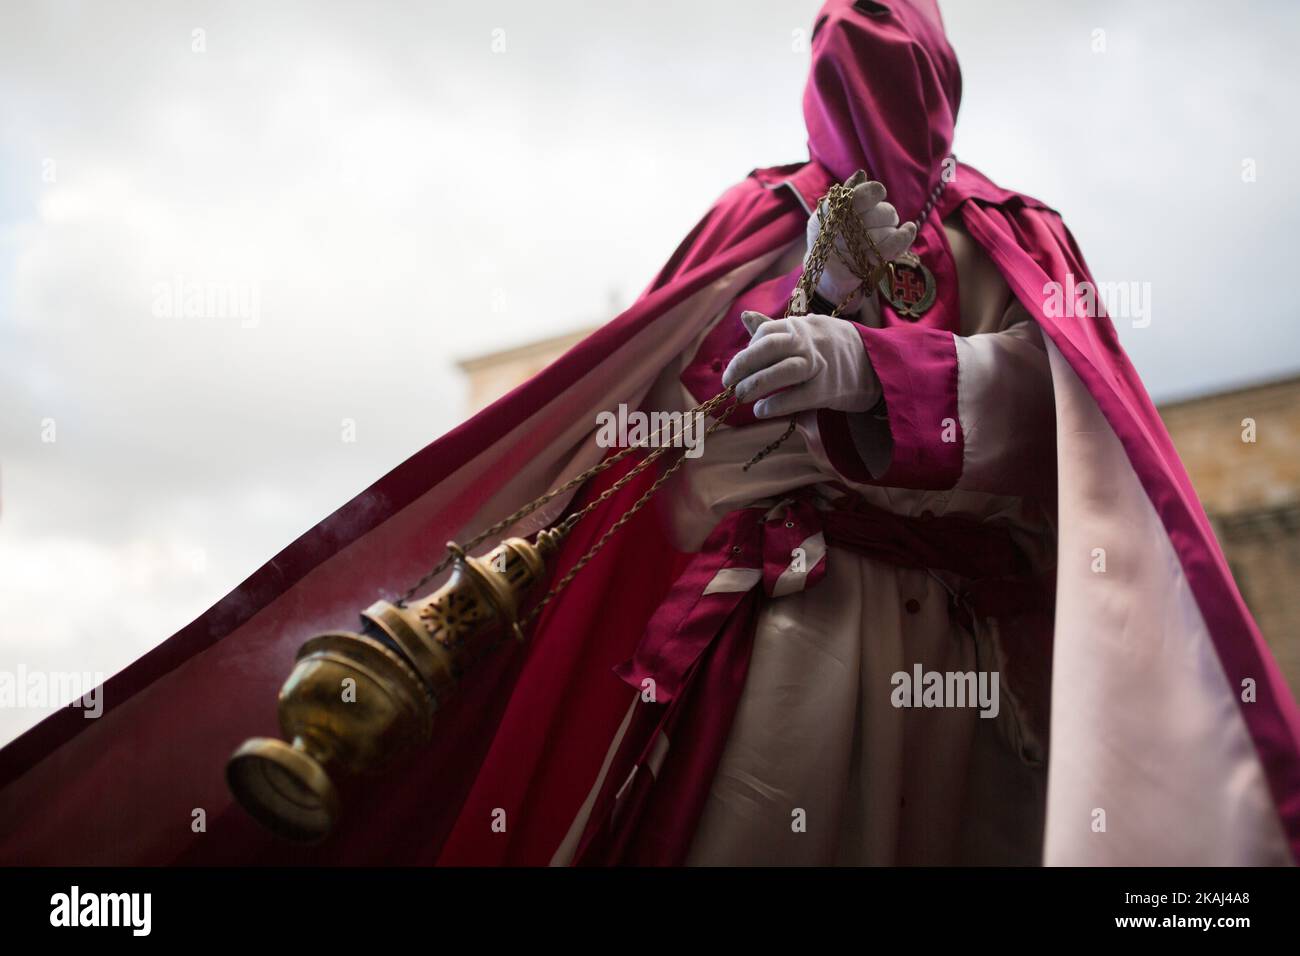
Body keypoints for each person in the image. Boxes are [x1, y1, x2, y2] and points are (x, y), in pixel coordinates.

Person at [1, 0, 1296, 866]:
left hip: (959, 650)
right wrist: (735, 390)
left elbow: (1074, 418)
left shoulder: (1017, 232)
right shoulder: (749, 216)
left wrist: (876, 368)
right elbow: (644, 422)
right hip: (782, 621)